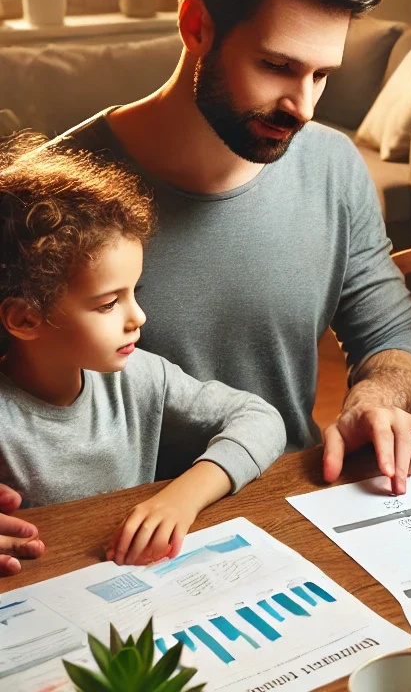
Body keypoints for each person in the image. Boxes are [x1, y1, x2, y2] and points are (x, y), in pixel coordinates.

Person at [54, 0, 411, 495]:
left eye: (321, 75)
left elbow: (395, 334)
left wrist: (375, 397)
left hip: (292, 503)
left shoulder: (334, 167)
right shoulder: (50, 190)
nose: (304, 109)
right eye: (276, 66)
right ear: (196, 26)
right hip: (118, 532)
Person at [0, 138, 286, 569]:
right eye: (108, 304)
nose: (139, 317)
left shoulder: (139, 376)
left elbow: (262, 419)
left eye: (134, 292)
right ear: (25, 320)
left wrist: (182, 498)